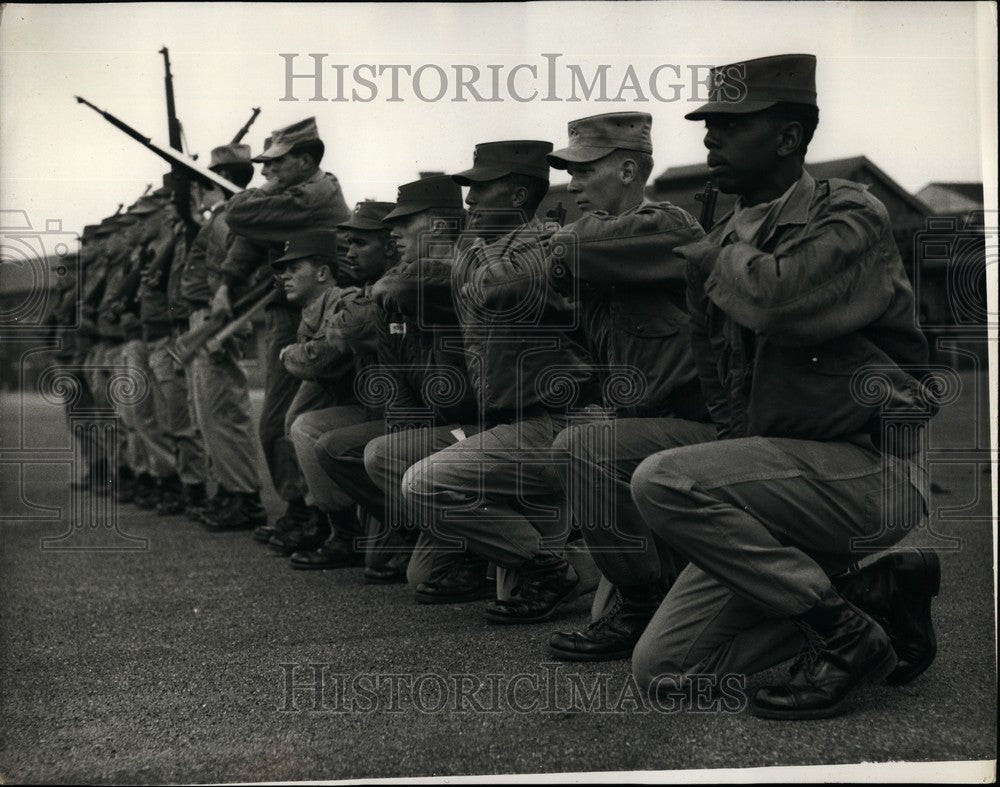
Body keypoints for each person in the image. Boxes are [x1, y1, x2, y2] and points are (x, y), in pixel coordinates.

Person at [622, 53, 940, 719]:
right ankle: (870, 597)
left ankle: (842, 633)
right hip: (782, 483)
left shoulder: (851, 213)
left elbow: (783, 301)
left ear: (789, 137)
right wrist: (733, 486)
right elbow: (720, 380)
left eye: (730, 125)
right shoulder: (727, 235)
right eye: (709, 124)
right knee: (666, 674)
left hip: (869, 472)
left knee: (661, 478)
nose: (710, 137)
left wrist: (719, 249)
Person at [399, 144, 598, 623]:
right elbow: (438, 278)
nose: (469, 197)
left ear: (519, 191)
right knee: (437, 578)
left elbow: (498, 287)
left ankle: (559, 565)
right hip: (516, 426)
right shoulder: (488, 247)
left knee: (422, 484)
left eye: (482, 186)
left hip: (556, 426)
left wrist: (467, 252)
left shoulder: (546, 245)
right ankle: (580, 562)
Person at [537, 112, 709, 661]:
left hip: (700, 428)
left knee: (580, 448)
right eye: (571, 173)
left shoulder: (669, 228)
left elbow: (567, 248)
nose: (574, 184)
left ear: (630, 169)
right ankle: (649, 589)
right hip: (644, 431)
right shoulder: (609, 251)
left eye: (585, 171)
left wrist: (552, 244)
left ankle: (640, 603)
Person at [212, 117, 351, 538]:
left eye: (276, 162)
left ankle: (318, 515)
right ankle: (303, 510)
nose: (266, 171)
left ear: (307, 160)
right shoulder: (296, 195)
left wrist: (264, 190)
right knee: (285, 421)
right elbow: (250, 240)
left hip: (320, 314)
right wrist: (226, 284)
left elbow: (237, 214)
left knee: (292, 421)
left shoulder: (313, 195)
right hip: (291, 312)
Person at [342, 177, 481, 588]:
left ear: (439, 225)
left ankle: (491, 546)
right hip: (444, 430)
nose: (394, 232)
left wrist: (388, 285)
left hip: (483, 428)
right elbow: (396, 386)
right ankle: (430, 523)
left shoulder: (468, 269)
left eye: (405, 223)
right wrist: (410, 448)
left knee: (384, 454)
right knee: (377, 452)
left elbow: (407, 283)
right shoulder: (399, 293)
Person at [180, 144, 268, 530]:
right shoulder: (222, 216)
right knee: (212, 416)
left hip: (218, 320)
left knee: (224, 413)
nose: (197, 191)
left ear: (222, 180)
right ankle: (232, 492)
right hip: (208, 318)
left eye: (203, 182)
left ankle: (245, 498)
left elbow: (229, 273)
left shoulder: (229, 216)